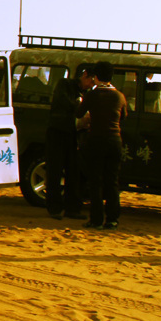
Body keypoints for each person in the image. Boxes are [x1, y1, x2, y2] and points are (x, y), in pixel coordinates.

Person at [76, 61, 128, 231]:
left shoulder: (92, 95)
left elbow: (79, 113)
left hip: (96, 140)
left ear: (96, 77)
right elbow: (124, 117)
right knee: (112, 181)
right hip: (114, 141)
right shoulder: (119, 96)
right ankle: (112, 219)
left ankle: (96, 219)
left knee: (95, 181)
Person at [45, 67, 94, 220]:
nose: (90, 85)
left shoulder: (87, 93)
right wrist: (80, 107)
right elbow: (64, 102)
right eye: (90, 81)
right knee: (55, 171)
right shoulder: (65, 84)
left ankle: (72, 208)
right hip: (58, 132)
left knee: (74, 172)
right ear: (84, 75)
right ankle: (54, 208)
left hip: (74, 134)